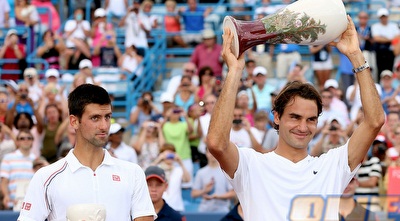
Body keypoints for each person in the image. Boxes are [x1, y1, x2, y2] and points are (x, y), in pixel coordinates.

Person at [206, 16, 385, 220]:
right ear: (276, 117)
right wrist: (235, 71)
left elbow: (375, 121)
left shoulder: (332, 166)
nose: (303, 126)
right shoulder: (251, 164)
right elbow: (216, 143)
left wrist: (355, 55)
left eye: (311, 119)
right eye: (294, 117)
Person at [17, 84, 156, 220]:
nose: (104, 126)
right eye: (95, 118)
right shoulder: (45, 177)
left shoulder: (133, 173)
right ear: (74, 121)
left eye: (107, 117)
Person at [191, 148, 235, 212]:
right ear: (206, 154)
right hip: (204, 211)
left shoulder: (225, 172)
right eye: (209, 152)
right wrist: (204, 190)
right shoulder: (200, 172)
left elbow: (232, 193)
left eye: (214, 152)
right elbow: (193, 194)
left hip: (222, 211)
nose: (212, 154)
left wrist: (218, 197)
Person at [1, 129, 36, 211]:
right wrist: (6, 195)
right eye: (22, 138)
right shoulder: (8, 158)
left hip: (33, 206)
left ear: (32, 141)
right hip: (12, 205)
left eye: (29, 138)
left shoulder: (37, 160)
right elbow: (4, 181)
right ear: (17, 142)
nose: (26, 140)